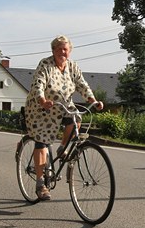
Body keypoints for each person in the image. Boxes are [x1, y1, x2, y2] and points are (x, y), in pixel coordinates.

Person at [24, 35, 103, 200]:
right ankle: (40, 184)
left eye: (65, 49)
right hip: (42, 108)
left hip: (64, 106)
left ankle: (63, 148)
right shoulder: (45, 64)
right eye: (59, 48)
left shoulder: (72, 66)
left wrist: (93, 100)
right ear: (53, 50)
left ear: (70, 51)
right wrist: (42, 100)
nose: (62, 52)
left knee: (77, 120)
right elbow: (38, 83)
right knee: (42, 142)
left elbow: (82, 85)